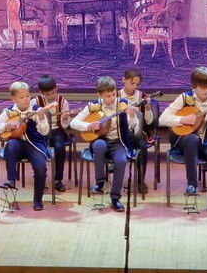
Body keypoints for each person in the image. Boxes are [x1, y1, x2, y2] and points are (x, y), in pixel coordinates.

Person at [159, 66, 207, 213]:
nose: (206, 91)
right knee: (192, 139)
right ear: (194, 86)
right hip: (185, 142)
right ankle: (192, 184)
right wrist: (182, 119)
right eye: (202, 87)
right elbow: (162, 119)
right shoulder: (185, 98)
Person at [70, 75, 138, 211]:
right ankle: (100, 183)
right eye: (108, 96)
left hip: (118, 142)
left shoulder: (123, 104)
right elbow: (73, 123)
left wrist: (131, 116)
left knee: (121, 161)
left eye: (113, 94)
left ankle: (115, 198)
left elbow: (134, 128)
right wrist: (88, 126)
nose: (112, 98)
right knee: (99, 145)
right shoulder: (93, 106)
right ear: (99, 95)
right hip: (100, 141)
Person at [0, 81, 52, 211]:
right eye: (22, 97)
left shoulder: (36, 110)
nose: (26, 99)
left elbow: (45, 132)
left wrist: (41, 118)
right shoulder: (9, 112)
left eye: (28, 96)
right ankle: (11, 179)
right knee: (11, 144)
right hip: (17, 145)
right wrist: (5, 125)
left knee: (41, 167)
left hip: (35, 144)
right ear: (13, 99)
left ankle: (38, 199)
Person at [119, 67, 159, 195]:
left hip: (138, 132)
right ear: (123, 80)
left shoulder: (143, 97)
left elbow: (149, 122)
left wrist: (147, 108)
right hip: (119, 132)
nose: (134, 87)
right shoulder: (116, 96)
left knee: (142, 146)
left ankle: (141, 180)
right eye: (132, 83)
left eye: (137, 84)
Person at [36, 75, 72, 193]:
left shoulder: (63, 101)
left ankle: (58, 179)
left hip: (57, 130)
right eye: (48, 94)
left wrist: (65, 118)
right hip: (41, 130)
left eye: (53, 93)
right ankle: (40, 178)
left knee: (60, 147)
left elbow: (65, 126)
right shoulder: (36, 102)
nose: (51, 96)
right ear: (41, 92)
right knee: (38, 148)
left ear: (56, 88)